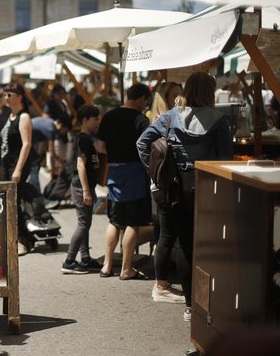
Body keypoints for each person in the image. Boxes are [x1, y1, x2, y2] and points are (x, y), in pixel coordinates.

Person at [137, 72, 233, 321]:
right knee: (208, 245)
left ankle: (191, 305)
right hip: (207, 184)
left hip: (175, 186)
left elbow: (142, 143)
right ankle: (210, 300)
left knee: (185, 244)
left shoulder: (170, 116)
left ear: (188, 90)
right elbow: (225, 161)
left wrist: (154, 173)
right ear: (209, 92)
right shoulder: (219, 120)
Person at [97, 83, 152, 281]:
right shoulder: (141, 120)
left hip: (114, 173)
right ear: (142, 99)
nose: (146, 104)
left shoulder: (109, 116)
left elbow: (101, 148)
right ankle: (126, 269)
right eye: (146, 101)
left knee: (114, 221)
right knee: (133, 223)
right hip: (135, 173)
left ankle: (107, 265)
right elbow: (149, 149)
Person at [147, 82, 186, 303]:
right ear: (165, 98)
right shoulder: (165, 120)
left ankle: (162, 285)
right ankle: (161, 287)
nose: (180, 97)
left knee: (167, 235)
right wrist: (155, 172)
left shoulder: (165, 118)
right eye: (175, 94)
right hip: (166, 185)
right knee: (168, 236)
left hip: (164, 185)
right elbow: (143, 145)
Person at [61, 104, 103, 274]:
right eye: (95, 119)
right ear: (85, 120)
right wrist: (86, 190)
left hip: (85, 186)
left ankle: (85, 258)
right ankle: (69, 261)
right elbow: (80, 165)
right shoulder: (83, 139)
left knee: (86, 223)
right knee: (83, 224)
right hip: (81, 186)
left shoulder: (87, 138)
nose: (98, 123)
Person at [1, 82, 36, 256]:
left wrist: (18, 169)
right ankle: (22, 238)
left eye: (9, 95)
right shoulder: (11, 115)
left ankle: (23, 240)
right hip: (8, 164)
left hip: (17, 165)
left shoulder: (24, 117)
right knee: (11, 204)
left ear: (19, 97)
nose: (6, 98)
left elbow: (27, 144)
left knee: (14, 204)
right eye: (5, 95)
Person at [42, 84, 72, 170]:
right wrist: (56, 126)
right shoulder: (50, 104)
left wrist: (67, 128)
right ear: (54, 94)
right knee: (56, 160)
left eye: (63, 93)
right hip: (55, 136)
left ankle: (61, 178)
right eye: (59, 93)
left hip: (64, 136)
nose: (61, 95)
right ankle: (55, 178)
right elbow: (45, 118)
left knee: (63, 159)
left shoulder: (63, 104)